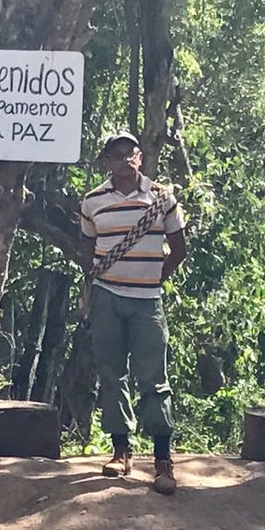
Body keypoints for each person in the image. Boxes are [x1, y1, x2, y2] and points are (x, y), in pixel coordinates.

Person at [80, 132, 186, 495]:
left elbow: (179, 249)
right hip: (107, 297)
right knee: (111, 374)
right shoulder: (93, 201)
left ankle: (162, 459)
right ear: (107, 161)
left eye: (130, 153)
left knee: (154, 377)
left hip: (147, 300)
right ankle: (120, 450)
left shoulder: (162, 198)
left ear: (140, 157)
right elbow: (87, 247)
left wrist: (154, 278)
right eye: (117, 154)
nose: (125, 160)